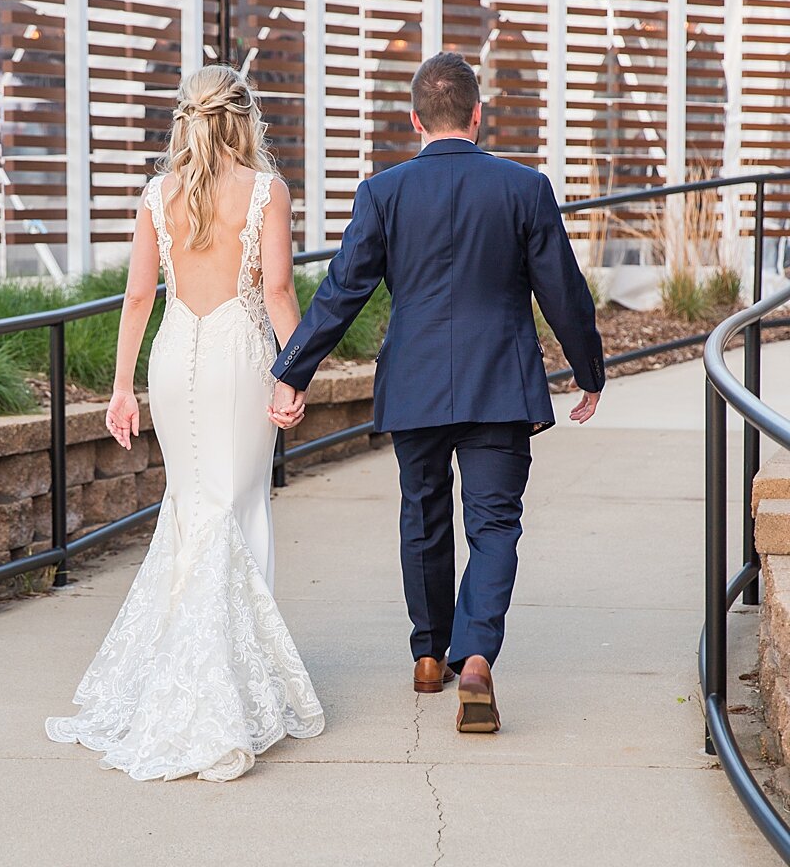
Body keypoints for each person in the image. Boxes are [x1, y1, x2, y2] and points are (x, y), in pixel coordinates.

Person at [270, 49, 605, 734]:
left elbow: (342, 293)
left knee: (422, 514)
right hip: (500, 383)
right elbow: (563, 291)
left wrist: (291, 370)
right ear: (478, 115)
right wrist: (588, 369)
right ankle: (475, 655)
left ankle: (429, 655)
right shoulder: (524, 188)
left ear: (414, 117)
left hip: (416, 383)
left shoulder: (382, 193)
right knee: (494, 525)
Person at [46, 64, 325, 782]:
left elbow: (139, 296)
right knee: (239, 509)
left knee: (192, 507)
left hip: (174, 357)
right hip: (238, 352)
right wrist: (296, 369)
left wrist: (121, 388)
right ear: (244, 119)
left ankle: (188, 672)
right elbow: (277, 288)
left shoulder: (156, 193)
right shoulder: (266, 190)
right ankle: (228, 687)